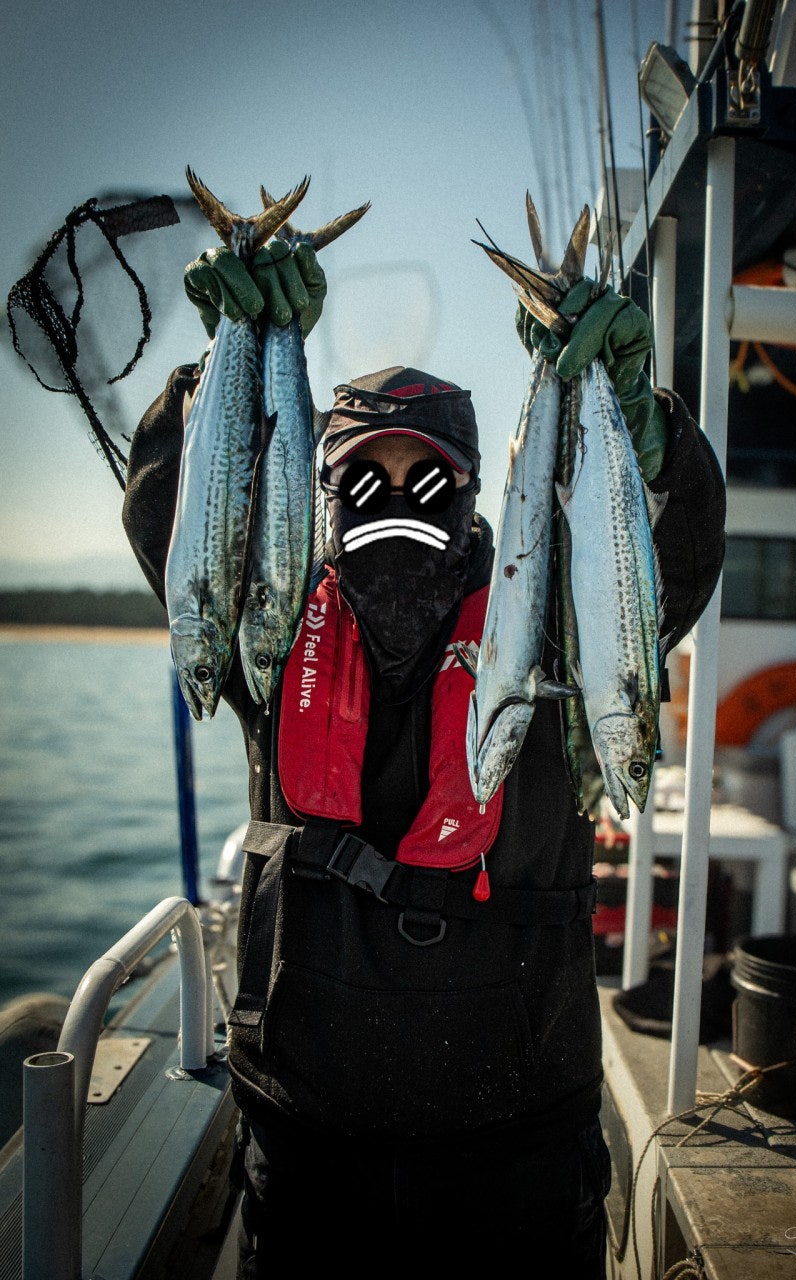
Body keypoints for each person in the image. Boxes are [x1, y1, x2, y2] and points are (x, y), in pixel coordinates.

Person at [122, 231, 725, 1279]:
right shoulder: (270, 635)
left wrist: (649, 434)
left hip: (520, 1157)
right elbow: (179, 532)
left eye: (424, 474)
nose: (393, 496)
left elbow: (663, 563)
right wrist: (210, 371)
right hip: (309, 1147)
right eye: (362, 473)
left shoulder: (549, 640)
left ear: (470, 489)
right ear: (318, 486)